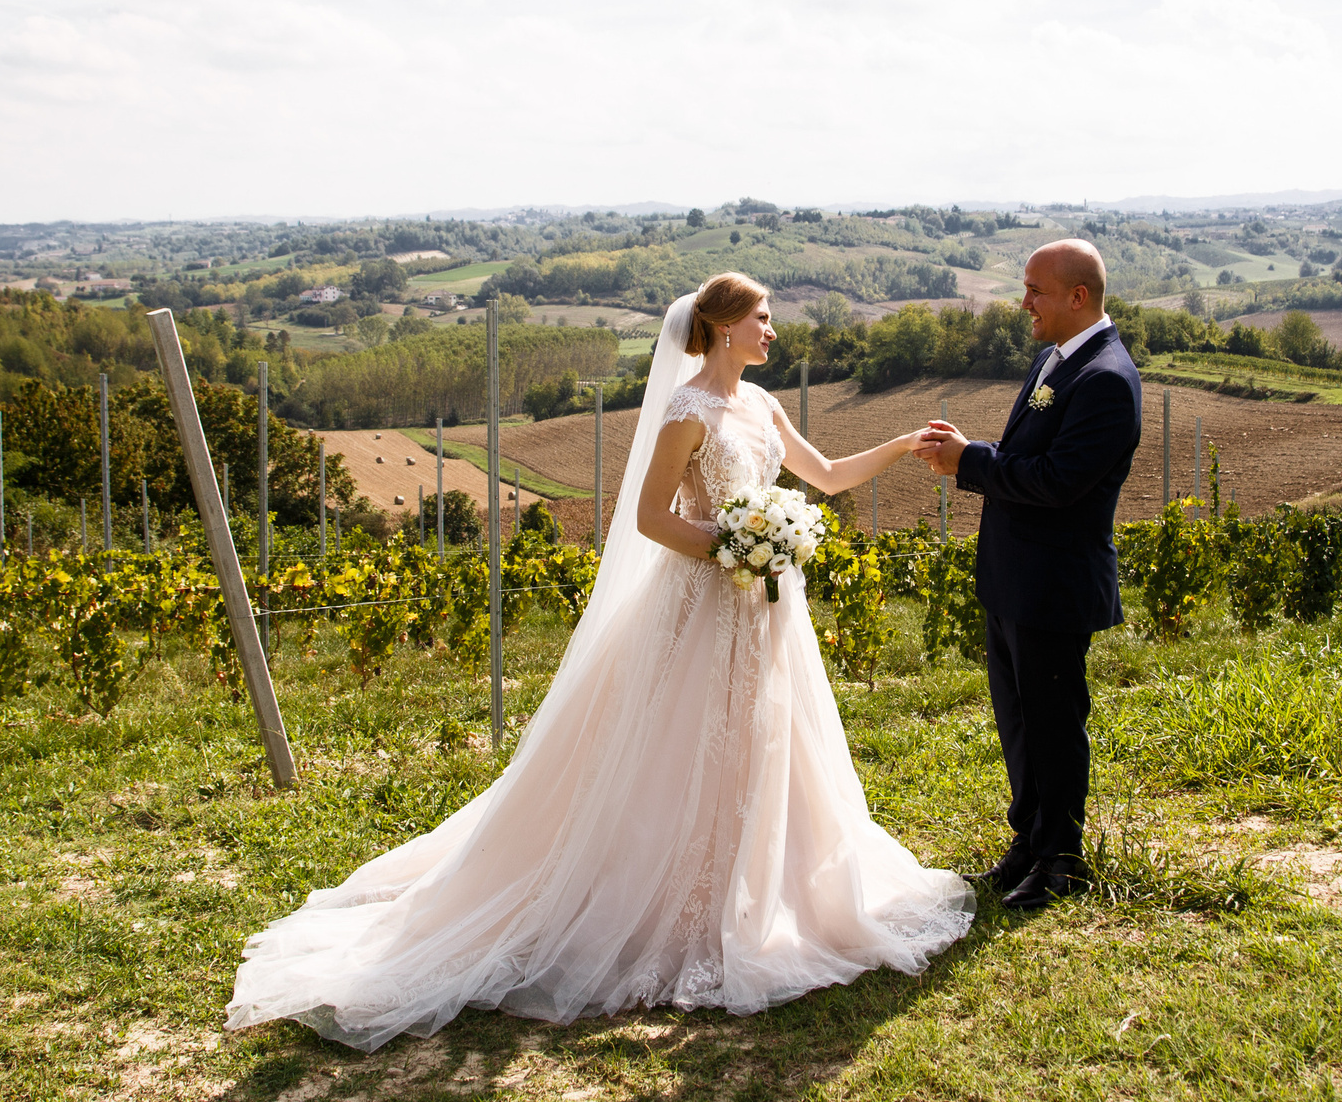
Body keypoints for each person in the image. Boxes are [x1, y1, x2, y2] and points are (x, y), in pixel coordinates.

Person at [226, 272, 972, 1050]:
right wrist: (736, 546)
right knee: (682, 743)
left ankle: (765, 893)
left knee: (764, 739)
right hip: (705, 599)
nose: (773, 330)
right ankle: (673, 899)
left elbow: (825, 476)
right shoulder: (688, 411)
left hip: (764, 607)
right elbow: (651, 518)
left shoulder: (764, 405)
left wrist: (901, 446)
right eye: (762, 316)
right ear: (721, 327)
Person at [914, 239, 1141, 910]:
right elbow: (1025, 451)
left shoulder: (1105, 377)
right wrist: (975, 452)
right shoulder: (1054, 359)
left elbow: (1059, 481)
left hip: (1054, 586)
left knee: (1052, 722)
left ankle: (1062, 859)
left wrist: (970, 461)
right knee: (1018, 721)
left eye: (1035, 289)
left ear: (1079, 296)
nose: (1023, 302)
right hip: (1014, 579)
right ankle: (1028, 840)